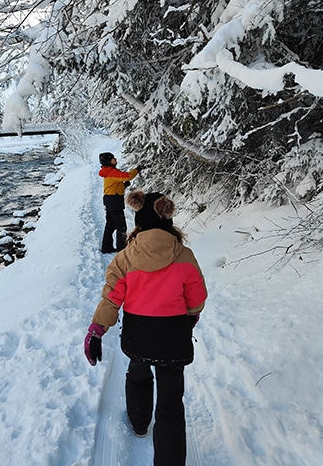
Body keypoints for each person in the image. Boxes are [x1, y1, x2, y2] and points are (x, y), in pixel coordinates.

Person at [84, 190, 207, 466]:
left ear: (138, 220)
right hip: (173, 335)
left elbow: (112, 297)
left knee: (138, 373)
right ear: (167, 219)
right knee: (171, 405)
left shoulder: (125, 258)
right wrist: (191, 316)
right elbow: (197, 298)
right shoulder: (185, 256)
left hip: (139, 334)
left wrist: (97, 329)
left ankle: (140, 422)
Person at [98, 152, 141, 253]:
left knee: (111, 225)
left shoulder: (108, 172)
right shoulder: (112, 171)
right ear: (108, 161)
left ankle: (106, 247)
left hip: (110, 199)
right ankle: (122, 250)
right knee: (121, 227)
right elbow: (128, 176)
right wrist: (137, 169)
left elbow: (113, 186)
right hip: (114, 201)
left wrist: (124, 186)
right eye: (113, 158)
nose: (115, 159)